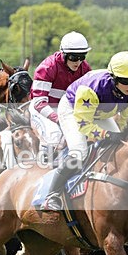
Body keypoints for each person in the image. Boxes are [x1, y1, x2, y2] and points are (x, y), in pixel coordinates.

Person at [40, 51, 128, 211]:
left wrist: (123, 137)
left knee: (121, 145)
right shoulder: (91, 90)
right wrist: (106, 134)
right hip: (72, 110)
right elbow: (84, 126)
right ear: (114, 78)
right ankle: (51, 195)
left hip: (99, 112)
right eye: (125, 80)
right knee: (79, 152)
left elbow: (125, 121)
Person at [28, 31, 92, 163]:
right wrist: (58, 119)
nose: (78, 62)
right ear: (64, 54)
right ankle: (42, 168)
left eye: (82, 57)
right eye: (74, 57)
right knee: (55, 137)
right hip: (44, 110)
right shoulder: (47, 67)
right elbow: (39, 103)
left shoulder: (85, 69)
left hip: (67, 111)